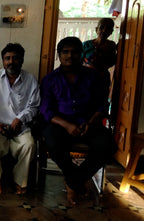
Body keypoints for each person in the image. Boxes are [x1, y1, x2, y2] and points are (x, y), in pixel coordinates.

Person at [40, 37, 117, 205]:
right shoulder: (50, 79)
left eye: (74, 52)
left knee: (108, 146)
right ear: (59, 55)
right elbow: (46, 110)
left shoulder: (93, 76)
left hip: (89, 123)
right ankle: (78, 180)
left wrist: (91, 122)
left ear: (81, 55)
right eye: (65, 52)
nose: (70, 56)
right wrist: (67, 125)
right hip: (60, 124)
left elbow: (102, 104)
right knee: (52, 142)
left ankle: (73, 181)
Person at [0, 43, 40, 195]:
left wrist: (20, 119)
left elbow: (33, 106)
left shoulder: (30, 80)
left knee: (30, 144)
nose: (11, 62)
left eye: (15, 58)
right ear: (3, 61)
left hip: (20, 127)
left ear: (22, 60)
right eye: (7, 58)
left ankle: (20, 181)